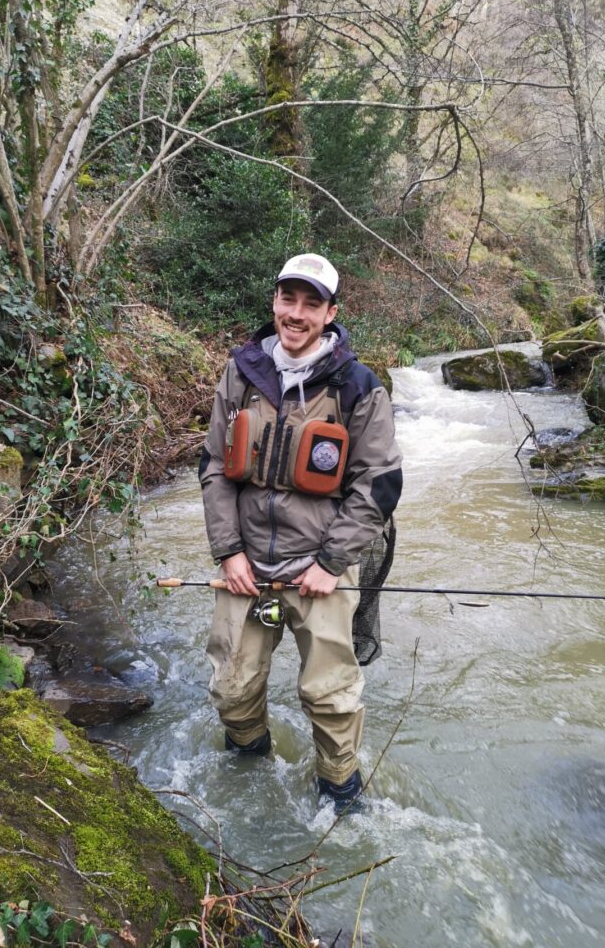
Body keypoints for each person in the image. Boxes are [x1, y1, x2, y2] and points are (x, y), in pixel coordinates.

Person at [198, 252, 403, 812]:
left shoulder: (359, 387)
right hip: (245, 572)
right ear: (274, 303)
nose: (297, 312)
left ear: (330, 312)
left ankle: (339, 793)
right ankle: (247, 773)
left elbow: (379, 486)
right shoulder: (241, 373)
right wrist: (228, 552)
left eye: (312, 303)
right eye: (289, 298)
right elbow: (214, 465)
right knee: (232, 688)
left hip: (319, 572)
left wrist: (331, 563)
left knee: (330, 696)